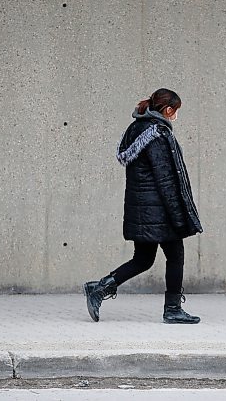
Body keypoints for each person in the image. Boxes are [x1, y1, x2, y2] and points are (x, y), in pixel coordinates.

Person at [83, 88, 204, 324]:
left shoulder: (137, 129)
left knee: (143, 259)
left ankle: (99, 288)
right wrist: (179, 216)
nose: (176, 116)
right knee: (175, 255)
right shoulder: (157, 134)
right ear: (168, 110)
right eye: (175, 111)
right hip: (160, 210)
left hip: (143, 209)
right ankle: (172, 309)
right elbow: (166, 179)